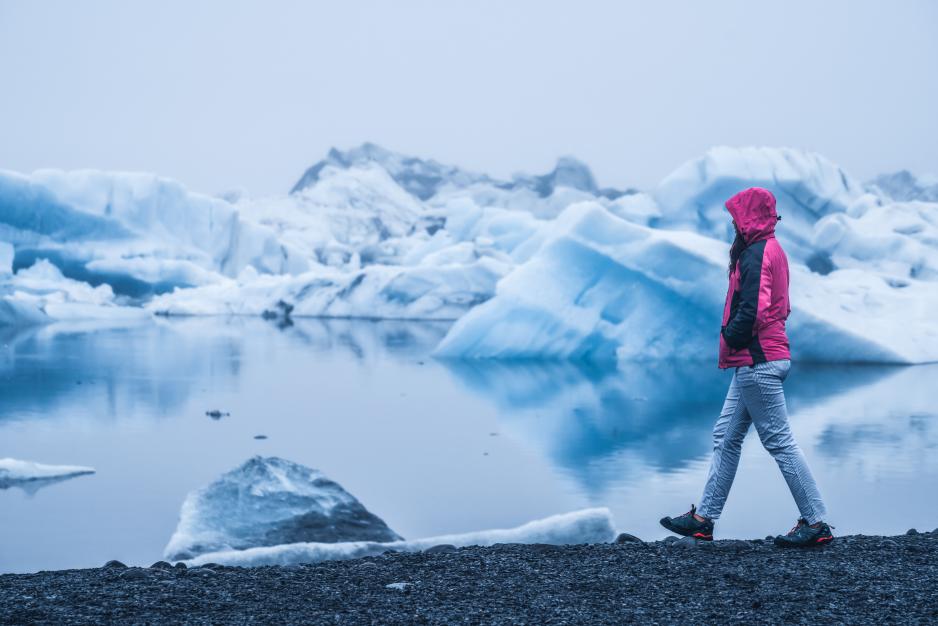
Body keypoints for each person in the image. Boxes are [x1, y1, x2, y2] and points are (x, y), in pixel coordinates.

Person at [659, 187, 833, 547]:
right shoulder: (771, 249)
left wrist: (731, 336)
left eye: (737, 218)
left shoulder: (756, 253)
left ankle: (815, 522)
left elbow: (754, 308)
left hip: (759, 360)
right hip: (758, 359)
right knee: (726, 436)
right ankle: (703, 519)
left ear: (748, 218)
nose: (734, 224)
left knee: (780, 443)